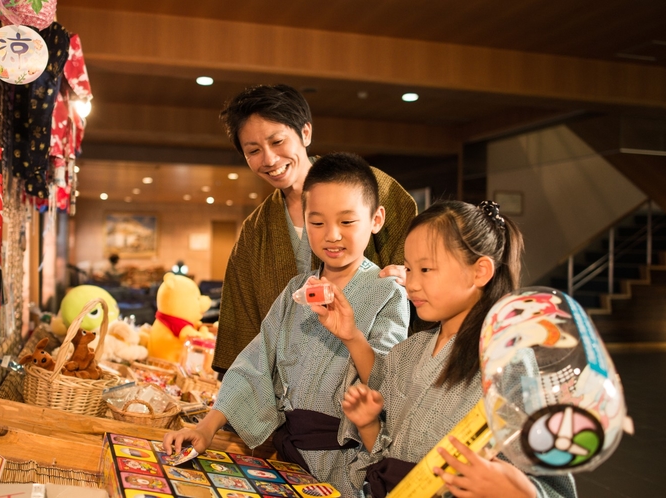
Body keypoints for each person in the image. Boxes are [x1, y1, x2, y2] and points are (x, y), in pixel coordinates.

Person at [164, 153, 409, 496]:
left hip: (349, 467)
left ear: (376, 219)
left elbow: (389, 384)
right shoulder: (297, 290)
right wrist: (207, 428)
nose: (331, 235)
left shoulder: (387, 293)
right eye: (317, 222)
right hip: (288, 464)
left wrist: (352, 336)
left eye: (347, 222)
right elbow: (256, 363)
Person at [336, 200, 577, 497]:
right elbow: (385, 462)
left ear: (480, 272)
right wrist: (369, 424)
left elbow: (551, 488)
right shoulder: (407, 351)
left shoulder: (511, 365)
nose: (411, 284)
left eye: (426, 269)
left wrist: (517, 489)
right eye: (409, 269)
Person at [212, 84, 418, 373]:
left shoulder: (377, 190)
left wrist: (416, 277)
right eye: (254, 150)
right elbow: (243, 322)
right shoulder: (254, 232)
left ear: (305, 133)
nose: (269, 159)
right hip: (287, 393)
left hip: (366, 377)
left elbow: (425, 267)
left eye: (277, 141)